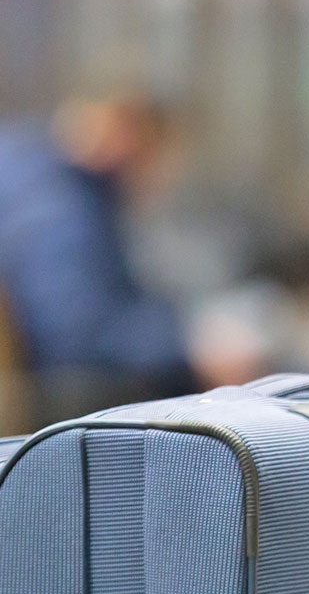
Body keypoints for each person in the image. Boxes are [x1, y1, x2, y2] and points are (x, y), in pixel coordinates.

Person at [0, 94, 200, 424]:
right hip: (63, 404)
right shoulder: (56, 210)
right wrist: (186, 347)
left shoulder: (61, 188)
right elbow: (78, 335)